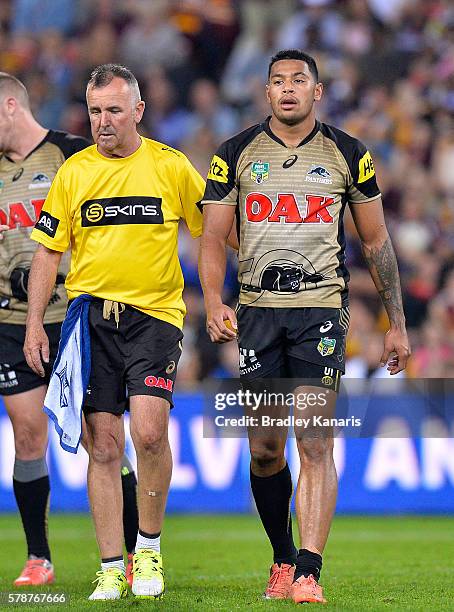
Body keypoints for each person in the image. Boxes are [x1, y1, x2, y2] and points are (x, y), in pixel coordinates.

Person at [199, 49, 410, 604]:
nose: (287, 88)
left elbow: (376, 241)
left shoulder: (348, 153)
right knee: (265, 450)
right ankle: (282, 556)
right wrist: (214, 301)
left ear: (318, 91)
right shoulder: (234, 154)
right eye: (277, 81)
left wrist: (396, 321)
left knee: (315, 439)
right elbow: (212, 236)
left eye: (299, 80)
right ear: (265, 92)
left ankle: (310, 571)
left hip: (321, 313)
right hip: (258, 315)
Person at [24, 63, 205, 601]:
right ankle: (110, 566)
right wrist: (36, 322)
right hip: (90, 320)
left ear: (139, 112)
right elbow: (47, 252)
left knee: (149, 433)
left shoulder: (171, 168)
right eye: (96, 111)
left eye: (114, 111)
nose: (103, 121)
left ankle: (146, 550)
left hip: (155, 317)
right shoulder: (74, 173)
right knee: (103, 444)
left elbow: (215, 228)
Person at [0, 73, 139, 587]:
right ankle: (39, 558)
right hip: (11, 322)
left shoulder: (71, 155)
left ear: (11, 105)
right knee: (27, 433)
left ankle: (131, 553)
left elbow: (106, 227)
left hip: (75, 316)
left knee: (100, 438)